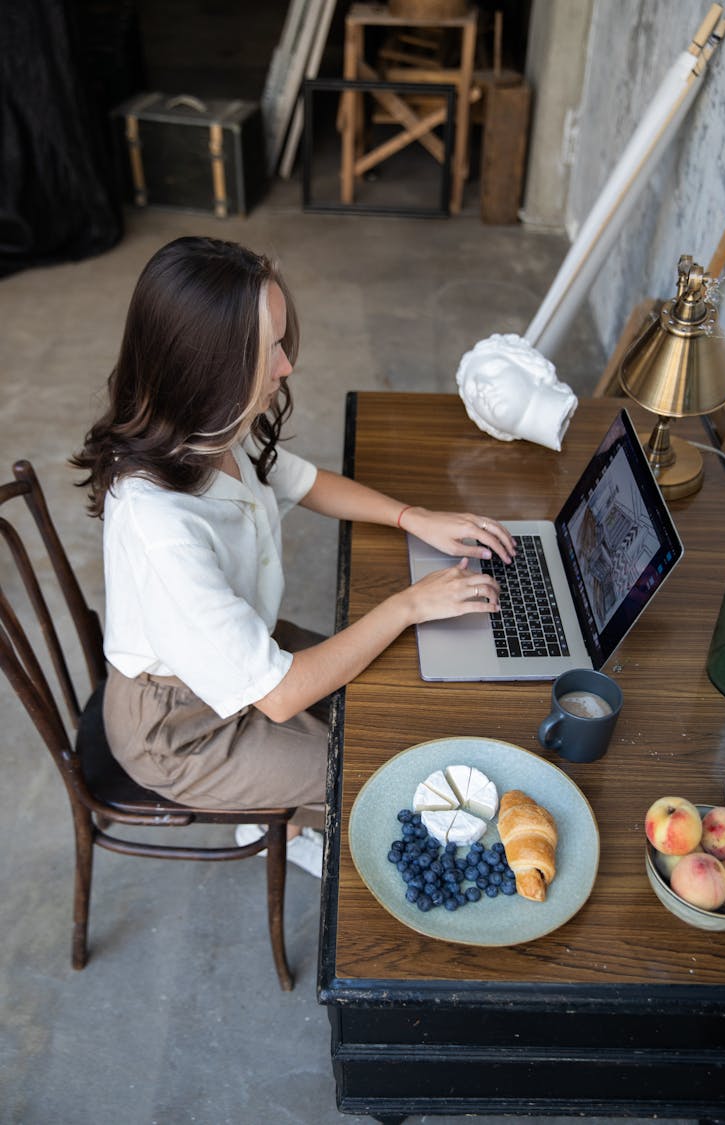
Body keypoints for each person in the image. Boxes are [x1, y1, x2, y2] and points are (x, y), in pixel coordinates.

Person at [72, 235, 515, 877]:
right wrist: (407, 605)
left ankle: (280, 793)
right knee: (376, 775)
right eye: (269, 350)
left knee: (390, 703)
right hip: (180, 729)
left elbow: (299, 479)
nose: (285, 367)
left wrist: (411, 516)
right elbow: (279, 695)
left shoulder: (204, 424)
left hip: (239, 649)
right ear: (208, 364)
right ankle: (286, 811)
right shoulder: (159, 525)